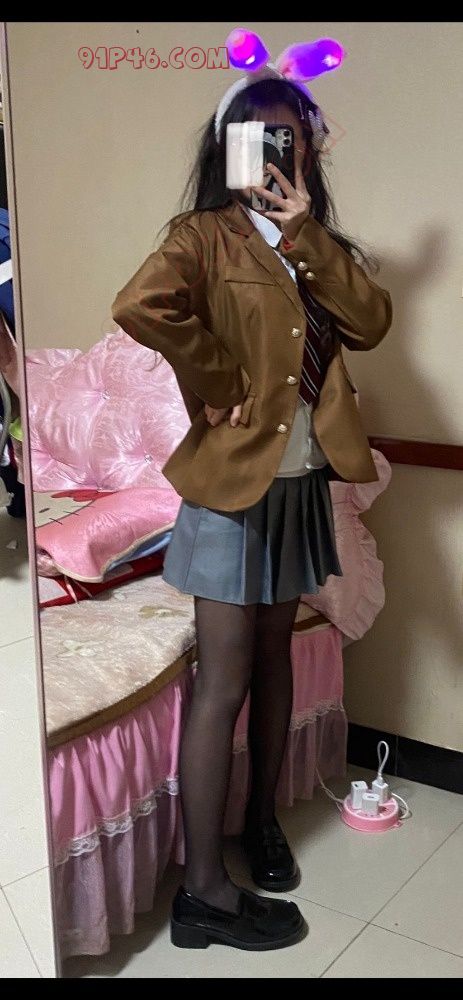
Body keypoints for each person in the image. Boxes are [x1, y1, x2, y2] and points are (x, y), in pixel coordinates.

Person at [112, 73, 392, 952]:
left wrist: (306, 231)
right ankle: (202, 892)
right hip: (234, 488)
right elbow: (138, 306)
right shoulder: (201, 237)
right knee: (223, 678)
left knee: (273, 661)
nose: (276, 150)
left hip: (302, 482)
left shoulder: (318, 244)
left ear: (307, 149)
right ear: (226, 148)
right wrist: (216, 377)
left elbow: (370, 322)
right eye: (257, 135)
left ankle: (262, 824)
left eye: (290, 135)